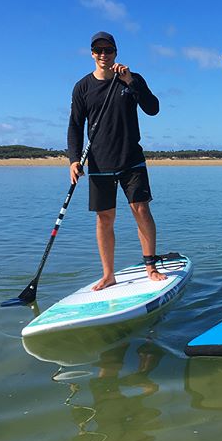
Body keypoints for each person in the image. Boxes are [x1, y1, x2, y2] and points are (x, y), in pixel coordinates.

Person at [68, 31, 164, 290]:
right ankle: (109, 274)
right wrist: (74, 160)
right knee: (104, 218)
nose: (103, 55)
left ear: (115, 53)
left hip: (131, 159)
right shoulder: (82, 87)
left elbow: (153, 108)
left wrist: (131, 81)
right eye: (98, 50)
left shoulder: (130, 80)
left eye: (108, 50)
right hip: (99, 163)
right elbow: (75, 126)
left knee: (141, 210)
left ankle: (150, 266)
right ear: (91, 53)